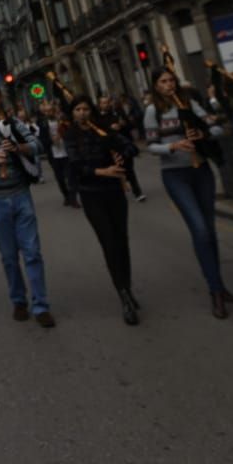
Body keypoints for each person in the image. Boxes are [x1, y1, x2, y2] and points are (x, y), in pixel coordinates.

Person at [144, 69, 233, 318]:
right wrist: (173, 145)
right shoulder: (154, 111)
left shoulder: (191, 104)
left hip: (201, 170)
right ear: (156, 86)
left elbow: (218, 129)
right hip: (175, 175)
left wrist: (203, 134)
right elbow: (151, 145)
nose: (168, 85)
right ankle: (215, 290)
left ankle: (218, 282)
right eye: (163, 82)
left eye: (171, 80)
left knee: (210, 230)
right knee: (200, 229)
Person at [0, 81, 54, 327]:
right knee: (8, 256)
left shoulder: (14, 123)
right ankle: (18, 300)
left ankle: (41, 305)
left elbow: (38, 146)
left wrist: (18, 147)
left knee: (32, 252)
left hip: (20, 194)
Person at [65, 95, 142, 324]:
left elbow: (130, 147)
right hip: (92, 194)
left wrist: (123, 155)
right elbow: (77, 165)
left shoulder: (103, 129)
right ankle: (123, 295)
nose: (82, 113)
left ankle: (127, 287)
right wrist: (101, 172)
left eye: (86, 108)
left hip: (114, 192)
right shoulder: (70, 135)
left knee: (121, 240)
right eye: (78, 109)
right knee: (108, 242)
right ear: (72, 113)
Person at [98, 94, 145, 201]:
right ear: (100, 105)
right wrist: (110, 129)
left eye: (108, 102)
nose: (106, 105)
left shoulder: (118, 113)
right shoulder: (98, 118)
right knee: (117, 170)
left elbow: (130, 126)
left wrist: (123, 125)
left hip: (124, 145)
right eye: (104, 103)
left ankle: (137, 192)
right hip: (111, 148)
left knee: (130, 170)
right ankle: (120, 190)